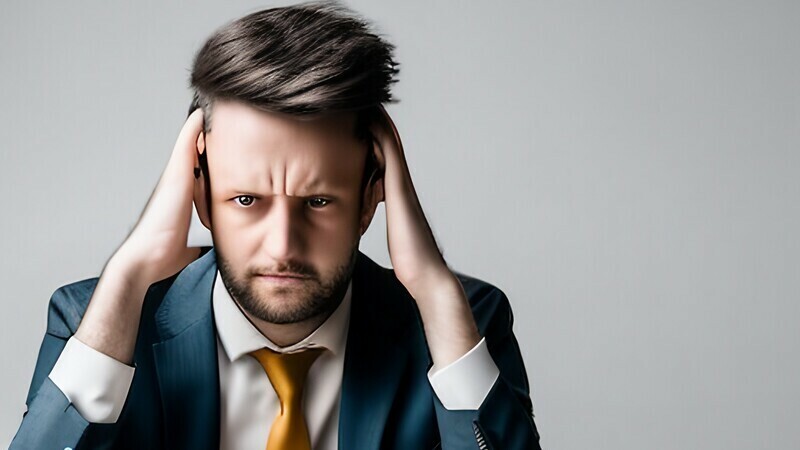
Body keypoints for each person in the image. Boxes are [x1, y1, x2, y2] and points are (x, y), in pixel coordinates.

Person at [10, 2, 542, 449]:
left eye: (318, 201)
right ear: (199, 194)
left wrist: (432, 287)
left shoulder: (463, 325)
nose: (283, 245)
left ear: (370, 198)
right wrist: (127, 275)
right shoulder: (98, 321)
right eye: (245, 199)